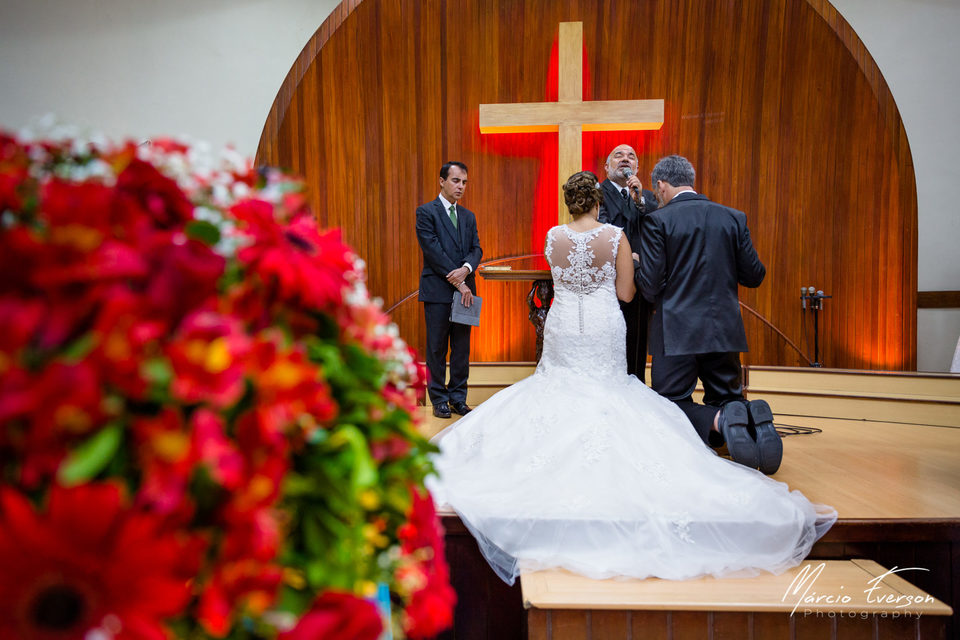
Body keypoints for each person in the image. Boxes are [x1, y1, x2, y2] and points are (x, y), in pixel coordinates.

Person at [427, 171, 835, 585]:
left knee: (555, 388)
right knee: (611, 391)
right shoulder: (615, 237)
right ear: (598, 202)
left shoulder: (553, 237)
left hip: (564, 326)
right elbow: (625, 293)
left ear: (570, 203)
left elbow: (564, 282)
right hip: (603, 325)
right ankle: (724, 419)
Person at [636, 155, 781, 475]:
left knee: (669, 403)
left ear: (661, 185)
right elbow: (755, 275)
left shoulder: (657, 221)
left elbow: (650, 286)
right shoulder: (733, 217)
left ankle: (723, 420)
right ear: (690, 180)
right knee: (727, 395)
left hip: (676, 331)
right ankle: (747, 418)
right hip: (724, 328)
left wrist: (635, 266)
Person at [416, 161, 483, 419]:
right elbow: (433, 251)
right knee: (436, 348)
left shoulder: (468, 216)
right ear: (442, 181)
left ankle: (458, 398)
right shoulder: (426, 212)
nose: (461, 186)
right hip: (438, 290)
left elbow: (476, 248)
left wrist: (466, 269)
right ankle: (439, 399)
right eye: (456, 181)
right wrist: (459, 282)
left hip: (466, 291)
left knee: (462, 348)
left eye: (464, 182)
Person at [598, 144, 657, 381]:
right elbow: (601, 229)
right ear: (606, 166)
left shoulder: (647, 197)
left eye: (631, 156)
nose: (625, 159)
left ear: (637, 168)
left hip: (641, 281)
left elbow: (655, 230)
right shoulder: (597, 194)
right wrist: (624, 257)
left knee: (636, 342)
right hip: (608, 280)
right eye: (619, 155)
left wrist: (639, 199)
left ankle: (635, 388)